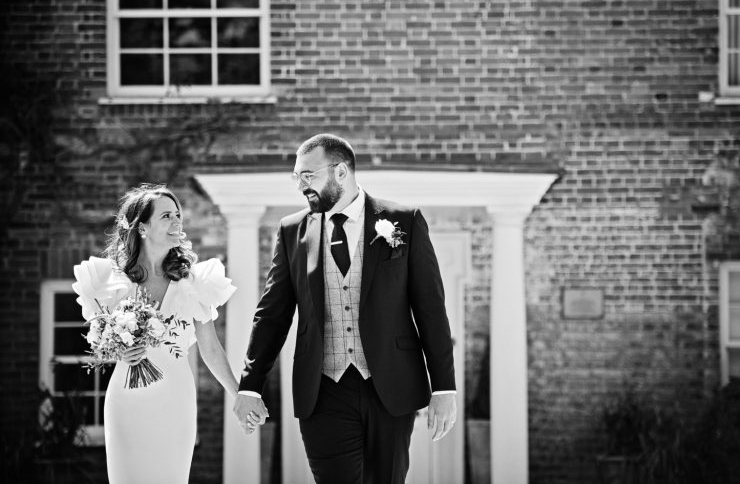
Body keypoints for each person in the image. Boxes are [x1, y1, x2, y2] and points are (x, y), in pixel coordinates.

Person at [234, 134, 458, 484]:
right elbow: (272, 314)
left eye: (308, 175)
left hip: (391, 388)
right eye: (296, 177)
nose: (300, 186)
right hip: (323, 391)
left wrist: (444, 387)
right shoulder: (292, 231)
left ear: (340, 172)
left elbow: (431, 309)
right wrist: (250, 386)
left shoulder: (403, 221)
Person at [72, 184, 251, 484]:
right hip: (127, 402)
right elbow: (99, 344)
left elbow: (210, 348)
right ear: (142, 227)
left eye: (178, 214)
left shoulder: (193, 282)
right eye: (167, 215)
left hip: (175, 401)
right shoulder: (110, 280)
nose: (177, 222)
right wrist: (119, 351)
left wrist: (240, 395)